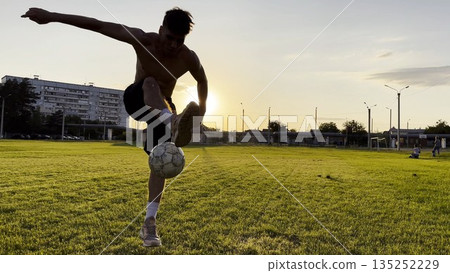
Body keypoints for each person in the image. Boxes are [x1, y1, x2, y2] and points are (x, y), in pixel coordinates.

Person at [22, 7, 208, 247]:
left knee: (161, 160)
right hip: (137, 98)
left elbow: (202, 79)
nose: (173, 45)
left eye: (179, 41)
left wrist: (200, 114)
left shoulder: (188, 57)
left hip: (162, 109)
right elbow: (96, 24)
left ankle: (149, 224)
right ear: (161, 30)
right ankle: (170, 120)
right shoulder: (143, 40)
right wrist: (52, 16)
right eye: (169, 38)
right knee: (151, 83)